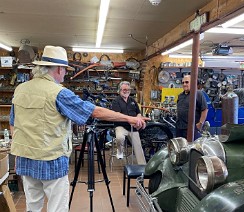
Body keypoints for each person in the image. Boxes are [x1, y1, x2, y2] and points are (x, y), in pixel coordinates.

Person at [9, 45, 149, 212]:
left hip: (26, 160)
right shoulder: (58, 93)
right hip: (51, 161)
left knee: (32, 207)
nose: (66, 73)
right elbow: (94, 111)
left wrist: (17, 153)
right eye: (65, 69)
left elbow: (13, 123)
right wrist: (130, 118)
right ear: (59, 69)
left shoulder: (20, 89)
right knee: (57, 208)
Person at [111, 81, 146, 165]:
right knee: (120, 138)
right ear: (120, 90)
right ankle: (120, 151)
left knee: (138, 148)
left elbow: (138, 112)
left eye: (128, 89)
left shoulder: (132, 101)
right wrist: (130, 120)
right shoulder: (116, 101)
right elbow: (118, 115)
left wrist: (138, 119)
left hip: (133, 127)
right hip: (121, 126)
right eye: (124, 89)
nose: (126, 91)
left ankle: (143, 167)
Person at [176, 75, 208, 140]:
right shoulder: (180, 96)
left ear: (192, 83)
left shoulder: (198, 94)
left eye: (187, 82)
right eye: (183, 82)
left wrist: (200, 123)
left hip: (192, 129)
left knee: (191, 148)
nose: (184, 84)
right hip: (180, 128)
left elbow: (204, 109)